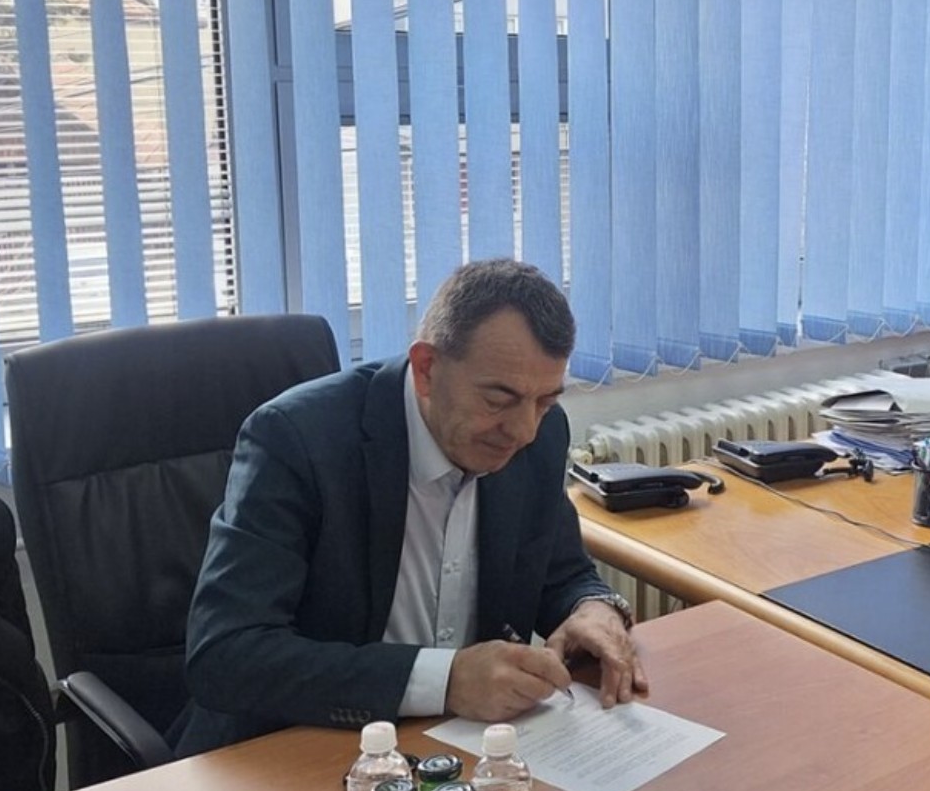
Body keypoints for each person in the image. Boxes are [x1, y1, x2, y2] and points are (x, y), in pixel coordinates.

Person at [172, 259, 643, 757]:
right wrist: (446, 681)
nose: (524, 430)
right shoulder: (297, 439)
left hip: (460, 747)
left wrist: (592, 606)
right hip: (295, 748)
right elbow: (226, 654)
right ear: (426, 369)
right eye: (498, 399)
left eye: (545, 400)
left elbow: (561, 571)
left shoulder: (542, 436)